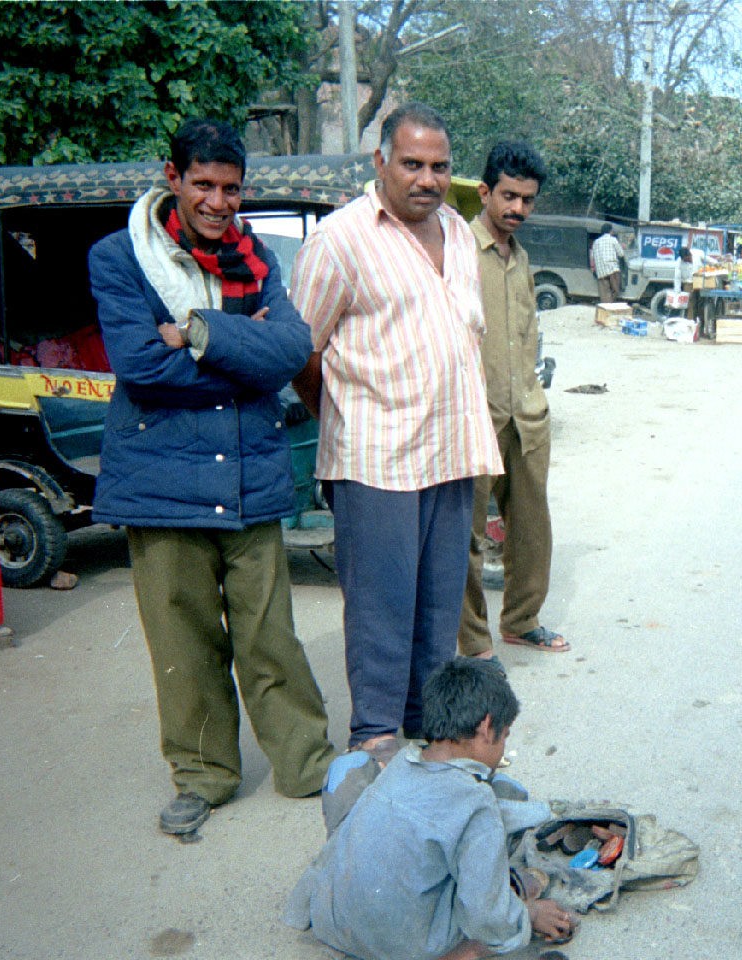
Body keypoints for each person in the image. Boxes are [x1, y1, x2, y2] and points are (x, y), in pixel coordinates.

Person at [89, 119, 335, 835]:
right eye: (203, 184)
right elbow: (141, 368)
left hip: (248, 476)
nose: (219, 201)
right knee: (183, 640)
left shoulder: (255, 256)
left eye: (231, 188)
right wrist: (240, 356)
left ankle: (308, 766)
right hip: (161, 482)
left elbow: (290, 348)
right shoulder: (120, 257)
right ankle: (203, 776)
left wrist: (199, 333)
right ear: (173, 177)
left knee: (270, 636)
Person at [290, 103, 501, 765]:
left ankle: (427, 729)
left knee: (438, 609)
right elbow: (301, 349)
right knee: (382, 611)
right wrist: (348, 416)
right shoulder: (340, 239)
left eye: (439, 166)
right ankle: (375, 741)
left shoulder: (460, 234)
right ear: (379, 162)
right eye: (412, 163)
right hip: (375, 458)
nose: (427, 179)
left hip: (450, 450)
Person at [284, 658, 577, 960]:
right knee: (507, 799)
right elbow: (486, 917)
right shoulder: (476, 802)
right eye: (503, 736)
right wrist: (528, 914)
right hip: (404, 946)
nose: (502, 745)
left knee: (354, 774)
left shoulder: (400, 764)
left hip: (335, 926)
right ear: (487, 726)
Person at [459, 142, 570, 658]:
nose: (518, 209)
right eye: (509, 196)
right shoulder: (456, 251)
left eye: (527, 200)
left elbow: (525, 337)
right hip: (473, 419)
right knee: (465, 540)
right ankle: (473, 642)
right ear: (485, 192)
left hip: (524, 418)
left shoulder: (521, 258)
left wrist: (535, 401)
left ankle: (522, 620)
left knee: (531, 529)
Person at [590, 223, 624, 303]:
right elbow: (621, 254)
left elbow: (592, 256)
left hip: (601, 272)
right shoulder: (613, 240)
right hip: (612, 268)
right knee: (616, 289)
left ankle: (607, 305)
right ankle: (612, 303)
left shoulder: (596, 242)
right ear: (611, 231)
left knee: (605, 293)